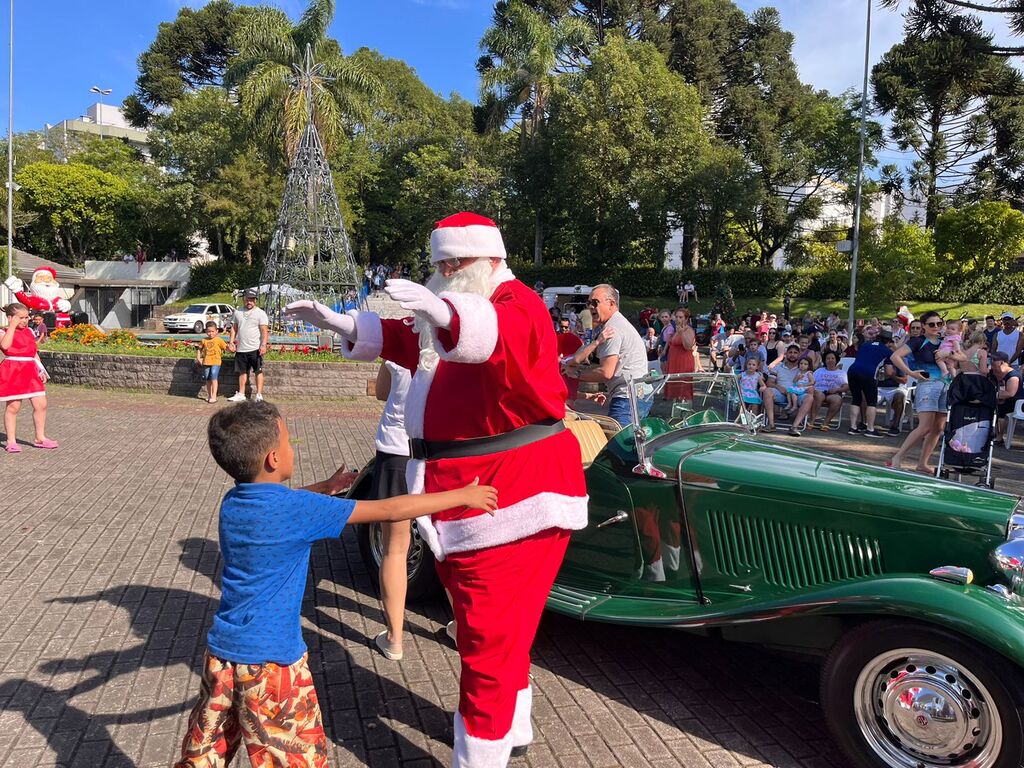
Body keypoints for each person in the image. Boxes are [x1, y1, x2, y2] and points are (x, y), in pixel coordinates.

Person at [283, 212, 587, 766]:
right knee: (502, 631)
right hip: (478, 488)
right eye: (440, 263)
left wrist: (444, 310)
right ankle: (512, 730)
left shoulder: (517, 306)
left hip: (509, 493)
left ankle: (482, 754)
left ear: (492, 259)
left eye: (457, 262)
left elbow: (497, 336)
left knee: (487, 642)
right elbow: (415, 338)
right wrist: (345, 325)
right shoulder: (461, 307)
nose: (445, 271)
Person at [173, 400, 496, 768]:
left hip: (222, 655)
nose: (293, 447)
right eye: (289, 441)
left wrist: (327, 486)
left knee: (205, 753)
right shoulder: (299, 512)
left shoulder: (234, 502)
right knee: (296, 759)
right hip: (273, 665)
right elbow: (391, 509)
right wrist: (463, 496)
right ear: (273, 459)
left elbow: (286, 503)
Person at [370, 361, 414, 662]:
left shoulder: (399, 340)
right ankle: (462, 630)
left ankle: (395, 639)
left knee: (395, 549)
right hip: (441, 450)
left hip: (397, 450)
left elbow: (381, 392)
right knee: (447, 547)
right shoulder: (456, 341)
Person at [888, 310, 962, 473]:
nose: (936, 327)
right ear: (923, 326)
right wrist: (910, 372)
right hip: (928, 385)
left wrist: (953, 354)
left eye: (939, 324)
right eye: (931, 324)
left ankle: (922, 463)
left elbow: (962, 358)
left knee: (937, 428)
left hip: (945, 385)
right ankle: (897, 457)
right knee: (925, 427)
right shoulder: (918, 341)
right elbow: (895, 356)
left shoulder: (945, 341)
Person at [568, 283, 650, 426]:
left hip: (627, 398)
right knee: (631, 444)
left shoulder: (612, 330)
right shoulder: (613, 325)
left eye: (595, 302)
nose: (590, 307)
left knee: (618, 444)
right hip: (638, 394)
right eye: (588, 303)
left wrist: (576, 374)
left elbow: (605, 372)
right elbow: (576, 358)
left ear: (611, 303)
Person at [0, 302, 57, 453]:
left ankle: (40, 437)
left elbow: (33, 352)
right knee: (13, 407)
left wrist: (41, 369)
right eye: (21, 318)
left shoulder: (30, 332)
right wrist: (12, 326)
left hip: (31, 370)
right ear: (10, 317)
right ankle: (11, 441)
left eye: (26, 317)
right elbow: (5, 347)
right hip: (13, 371)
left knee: (41, 404)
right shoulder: (3, 332)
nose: (25, 320)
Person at [846, 326, 892, 438]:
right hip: (868, 373)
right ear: (889, 342)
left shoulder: (865, 345)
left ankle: (853, 427)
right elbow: (889, 372)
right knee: (871, 402)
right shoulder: (887, 351)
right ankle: (870, 429)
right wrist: (883, 376)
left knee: (856, 399)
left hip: (852, 371)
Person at [227, 289, 269, 403]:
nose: (249, 302)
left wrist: (263, 345)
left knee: (258, 371)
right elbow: (234, 328)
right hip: (241, 348)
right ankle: (241, 393)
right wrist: (231, 342)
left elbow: (264, 331)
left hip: (255, 348)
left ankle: (259, 395)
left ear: (255, 300)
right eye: (247, 299)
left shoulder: (260, 313)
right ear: (243, 299)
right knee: (242, 372)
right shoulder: (238, 312)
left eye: (252, 300)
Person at [810, 350, 848, 431]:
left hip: (833, 393)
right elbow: (811, 382)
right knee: (819, 395)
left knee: (837, 400)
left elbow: (846, 386)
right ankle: (812, 420)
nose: (830, 360)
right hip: (819, 392)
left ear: (836, 360)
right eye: (828, 358)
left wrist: (837, 389)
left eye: (832, 358)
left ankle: (826, 423)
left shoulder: (841, 373)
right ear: (824, 360)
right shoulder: (819, 371)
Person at [665, 307, 695, 402]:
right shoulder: (675, 330)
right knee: (675, 386)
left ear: (686, 319)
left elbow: (689, 346)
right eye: (677, 317)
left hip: (683, 361)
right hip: (674, 361)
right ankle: (676, 409)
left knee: (684, 386)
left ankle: (685, 409)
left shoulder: (688, 330)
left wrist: (682, 333)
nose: (678, 319)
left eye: (681, 317)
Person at [992, 351, 1023, 438]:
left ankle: (999, 437)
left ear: (1002, 362)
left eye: (994, 360)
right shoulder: (996, 372)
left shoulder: (1013, 376)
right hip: (1003, 399)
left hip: (1015, 402)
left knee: (1000, 409)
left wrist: (992, 395)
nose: (992, 362)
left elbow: (1010, 393)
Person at [196, 321, 228, 404]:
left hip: (216, 362)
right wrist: (198, 357)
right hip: (206, 362)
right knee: (208, 378)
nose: (210, 333)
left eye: (212, 331)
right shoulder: (204, 340)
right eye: (209, 331)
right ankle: (209, 395)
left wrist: (232, 348)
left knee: (214, 376)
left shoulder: (219, 340)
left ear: (217, 331)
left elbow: (225, 348)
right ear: (206, 331)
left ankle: (214, 396)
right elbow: (199, 349)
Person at [556, 318, 584, 403]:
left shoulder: (576, 340)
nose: (564, 329)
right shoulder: (554, 338)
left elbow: (581, 358)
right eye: (562, 327)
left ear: (570, 327)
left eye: (566, 327)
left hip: (569, 375)